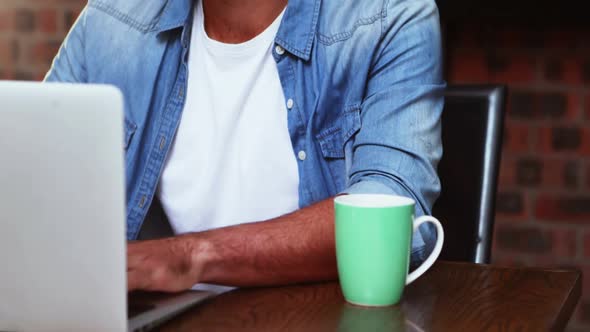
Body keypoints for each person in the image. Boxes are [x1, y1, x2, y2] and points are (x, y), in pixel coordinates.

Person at [45, 0, 445, 292]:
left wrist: (191, 256)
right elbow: (34, 182)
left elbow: (392, 211)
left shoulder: (388, 16)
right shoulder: (112, 20)